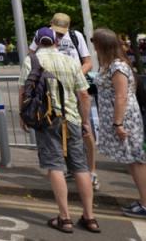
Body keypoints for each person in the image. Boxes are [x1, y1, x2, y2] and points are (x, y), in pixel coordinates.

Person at [20, 27, 98, 234]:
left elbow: (23, 91)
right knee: (80, 167)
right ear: (56, 41)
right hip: (71, 118)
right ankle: (89, 217)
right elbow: (83, 95)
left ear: (36, 42)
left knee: (55, 166)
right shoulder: (71, 62)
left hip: (46, 119)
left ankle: (64, 218)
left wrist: (23, 116)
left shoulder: (31, 61)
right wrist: (85, 122)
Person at [91, 28, 146, 220]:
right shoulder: (111, 65)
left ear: (102, 45)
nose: (93, 47)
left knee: (137, 162)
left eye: (95, 42)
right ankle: (145, 201)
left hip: (126, 120)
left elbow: (121, 96)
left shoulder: (118, 67)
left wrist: (118, 124)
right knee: (133, 162)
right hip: (122, 119)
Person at [30, 12, 98, 187]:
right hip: (50, 91)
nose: (59, 36)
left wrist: (74, 78)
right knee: (55, 129)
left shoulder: (76, 36)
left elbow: (88, 62)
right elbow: (32, 57)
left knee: (85, 129)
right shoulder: (43, 34)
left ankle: (91, 171)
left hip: (73, 88)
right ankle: (66, 169)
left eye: (62, 32)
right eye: (57, 31)